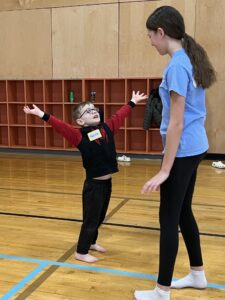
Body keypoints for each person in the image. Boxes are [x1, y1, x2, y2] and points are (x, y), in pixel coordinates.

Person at [134, 5, 216, 300]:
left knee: (168, 218)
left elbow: (177, 122)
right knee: (183, 212)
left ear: (161, 32)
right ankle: (197, 274)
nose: (150, 41)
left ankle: (161, 291)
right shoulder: (187, 60)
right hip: (195, 147)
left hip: (183, 151)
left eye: (150, 36)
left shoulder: (177, 66)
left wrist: (165, 169)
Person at [23, 91, 147, 263]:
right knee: (91, 219)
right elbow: (61, 126)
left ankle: (92, 242)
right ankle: (81, 252)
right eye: (88, 111)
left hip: (107, 184)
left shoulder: (107, 128)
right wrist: (41, 114)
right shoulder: (79, 135)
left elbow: (119, 115)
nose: (94, 111)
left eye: (94, 109)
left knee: (100, 216)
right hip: (93, 186)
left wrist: (132, 102)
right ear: (81, 121)